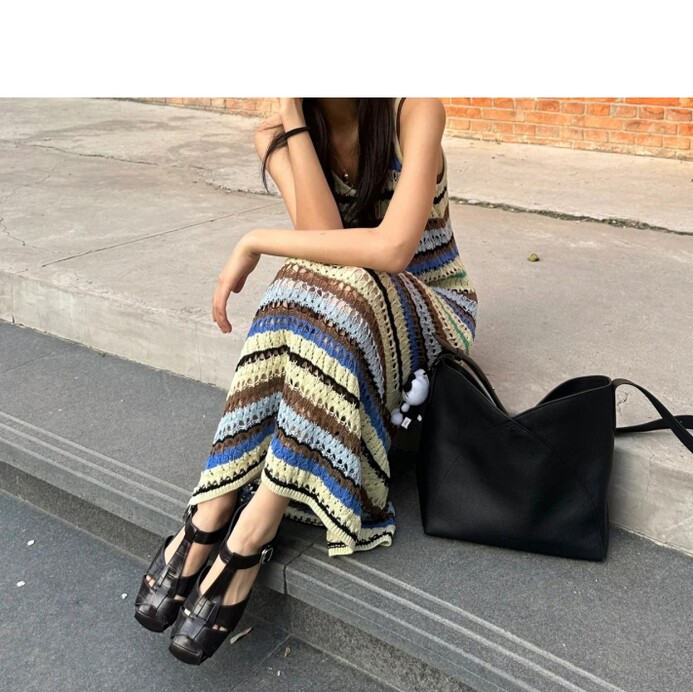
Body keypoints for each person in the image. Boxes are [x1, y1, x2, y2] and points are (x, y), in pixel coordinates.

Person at [133, 97, 478, 664]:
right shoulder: (278, 134)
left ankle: (255, 521)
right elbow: (324, 240)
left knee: (325, 281)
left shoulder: (412, 110)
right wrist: (294, 116)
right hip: (347, 309)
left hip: (431, 309)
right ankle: (218, 501)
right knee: (305, 280)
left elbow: (392, 250)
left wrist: (254, 238)